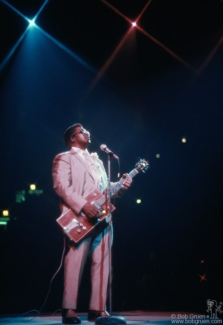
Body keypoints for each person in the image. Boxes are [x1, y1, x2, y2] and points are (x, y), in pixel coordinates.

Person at [52, 123, 132, 324]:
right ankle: (69, 309)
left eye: (87, 131)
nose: (88, 133)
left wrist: (119, 186)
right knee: (75, 262)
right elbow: (61, 187)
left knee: (103, 262)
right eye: (82, 131)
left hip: (103, 218)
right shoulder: (64, 158)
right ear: (72, 138)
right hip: (79, 218)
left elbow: (104, 191)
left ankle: (97, 309)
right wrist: (82, 206)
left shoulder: (98, 160)